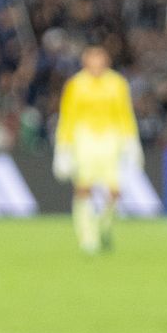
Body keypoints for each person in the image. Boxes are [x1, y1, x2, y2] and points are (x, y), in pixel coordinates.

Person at [52, 45, 141, 254]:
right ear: (85, 62)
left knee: (114, 192)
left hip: (111, 140)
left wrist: (132, 141)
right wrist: (63, 148)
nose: (96, 64)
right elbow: (67, 117)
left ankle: (104, 225)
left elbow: (124, 114)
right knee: (84, 188)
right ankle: (87, 237)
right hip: (84, 140)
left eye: (100, 59)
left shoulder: (117, 83)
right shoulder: (76, 84)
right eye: (92, 59)